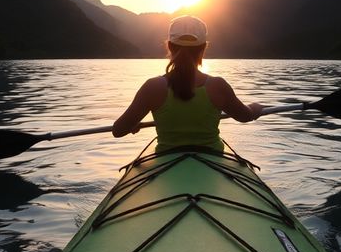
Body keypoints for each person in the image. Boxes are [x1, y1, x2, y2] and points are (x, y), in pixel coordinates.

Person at [112, 15, 263, 153]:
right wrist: (255, 108)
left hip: (167, 160)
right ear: (203, 48)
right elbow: (245, 116)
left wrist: (133, 123)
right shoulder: (218, 86)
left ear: (170, 46)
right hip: (212, 158)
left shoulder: (153, 87)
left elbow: (118, 130)